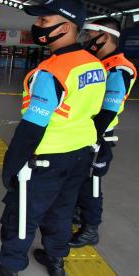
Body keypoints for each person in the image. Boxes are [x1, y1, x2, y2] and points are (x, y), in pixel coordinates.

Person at [0, 1, 107, 275]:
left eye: (43, 21)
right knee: (62, 210)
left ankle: (10, 268)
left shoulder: (54, 71)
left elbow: (32, 127)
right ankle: (56, 260)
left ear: (64, 27)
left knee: (21, 214)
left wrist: (12, 165)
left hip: (45, 159)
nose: (37, 27)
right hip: (80, 154)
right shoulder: (94, 64)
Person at [69, 17, 137, 248]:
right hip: (84, 133)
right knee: (79, 179)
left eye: (88, 36)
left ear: (104, 36)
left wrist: (93, 138)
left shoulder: (119, 67)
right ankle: (77, 214)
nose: (85, 40)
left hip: (98, 136)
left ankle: (91, 229)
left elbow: (109, 109)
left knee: (92, 183)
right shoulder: (98, 63)